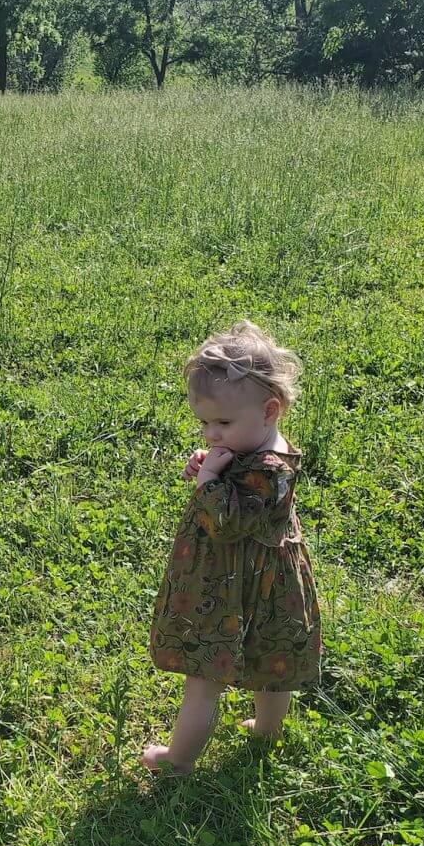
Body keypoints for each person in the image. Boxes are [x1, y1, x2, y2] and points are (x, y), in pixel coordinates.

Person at [143, 322, 321, 773]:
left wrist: (207, 482)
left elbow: (226, 523)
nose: (210, 435)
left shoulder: (271, 469)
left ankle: (177, 761)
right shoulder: (255, 446)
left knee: (202, 679)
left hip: (224, 590)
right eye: (204, 423)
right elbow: (234, 476)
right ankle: (267, 728)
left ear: (270, 409)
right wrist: (210, 466)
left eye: (222, 423)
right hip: (267, 586)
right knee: (271, 660)